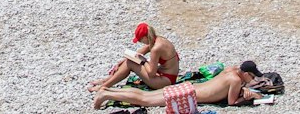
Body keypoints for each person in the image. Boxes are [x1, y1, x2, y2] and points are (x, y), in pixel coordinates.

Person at [92, 61, 269, 110]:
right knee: (145, 100)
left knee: (145, 95)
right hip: (187, 96)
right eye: (252, 76)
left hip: (188, 87)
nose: (252, 79)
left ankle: (108, 89)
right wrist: (251, 95)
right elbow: (231, 102)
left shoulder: (231, 71)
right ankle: (106, 95)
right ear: (245, 74)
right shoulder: (236, 81)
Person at [88, 23, 181, 93]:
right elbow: (140, 52)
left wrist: (143, 62)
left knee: (130, 63)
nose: (141, 42)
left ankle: (103, 87)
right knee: (129, 60)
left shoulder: (156, 49)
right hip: (167, 75)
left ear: (145, 37)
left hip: (165, 81)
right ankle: (106, 81)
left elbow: (151, 73)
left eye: (140, 40)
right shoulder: (158, 40)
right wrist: (121, 61)